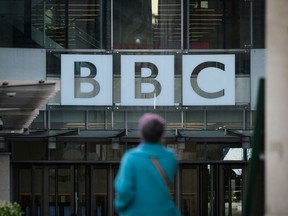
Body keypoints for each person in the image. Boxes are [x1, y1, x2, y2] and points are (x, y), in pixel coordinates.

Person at [114, 113, 180, 216]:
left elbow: (124, 189)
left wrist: (121, 207)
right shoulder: (170, 157)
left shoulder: (131, 157)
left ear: (141, 134)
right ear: (161, 134)